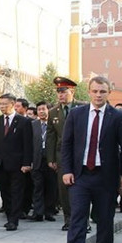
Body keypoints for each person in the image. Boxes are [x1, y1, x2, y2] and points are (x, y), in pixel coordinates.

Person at [62, 76, 122, 243]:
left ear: (108, 92)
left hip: (106, 177)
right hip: (80, 175)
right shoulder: (77, 114)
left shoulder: (118, 116)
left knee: (104, 219)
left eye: (102, 91)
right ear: (89, 91)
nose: (98, 95)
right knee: (77, 216)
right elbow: (66, 144)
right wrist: (67, 170)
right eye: (94, 91)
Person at [0, 93, 33, 231]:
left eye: (4, 104)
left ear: (13, 104)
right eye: (0, 104)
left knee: (16, 192)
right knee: (5, 192)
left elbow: (28, 145)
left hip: (17, 165)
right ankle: (9, 217)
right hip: (0, 164)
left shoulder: (24, 122)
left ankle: (14, 220)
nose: (1, 107)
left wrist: (27, 163)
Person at [46, 76, 79, 231]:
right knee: (64, 189)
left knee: (81, 189)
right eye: (58, 92)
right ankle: (68, 219)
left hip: (80, 154)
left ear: (71, 91)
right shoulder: (53, 112)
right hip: (61, 156)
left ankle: (82, 221)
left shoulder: (82, 108)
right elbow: (51, 136)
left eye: (63, 91)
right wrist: (51, 158)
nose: (60, 95)